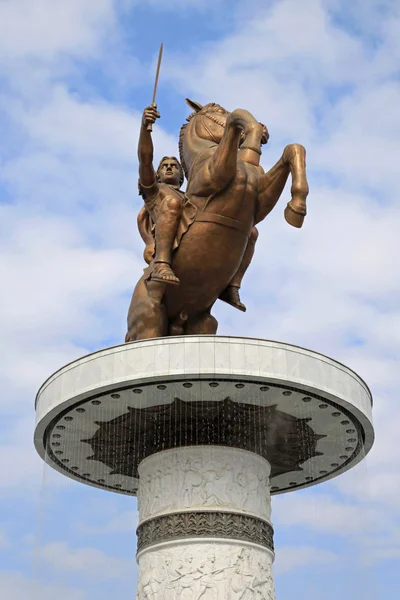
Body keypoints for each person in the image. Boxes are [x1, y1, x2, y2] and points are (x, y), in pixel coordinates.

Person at [136, 104, 258, 311]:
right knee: (173, 204)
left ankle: (232, 285)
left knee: (251, 231)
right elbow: (145, 159)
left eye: (174, 166)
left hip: (192, 232)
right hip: (169, 240)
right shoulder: (154, 192)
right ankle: (162, 264)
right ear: (156, 175)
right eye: (164, 166)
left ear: (182, 176)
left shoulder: (191, 196)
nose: (168, 167)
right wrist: (144, 128)